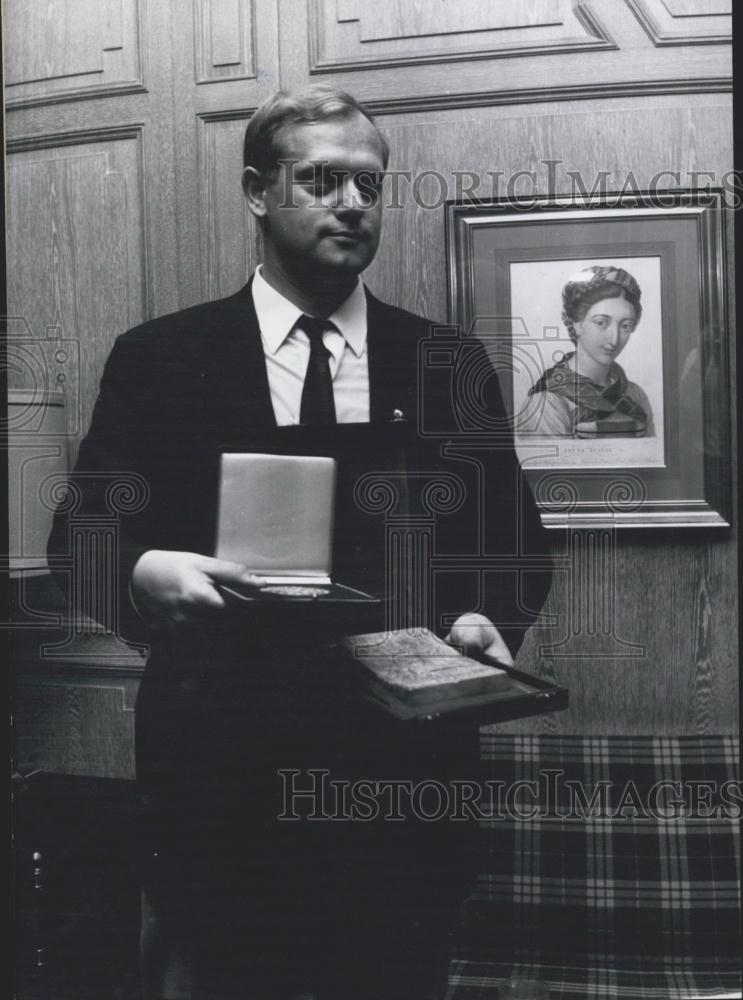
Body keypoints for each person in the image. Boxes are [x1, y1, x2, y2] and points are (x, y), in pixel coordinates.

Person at [49, 85, 551, 999]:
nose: (352, 204)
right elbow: (76, 540)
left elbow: (511, 543)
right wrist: (139, 568)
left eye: (368, 183)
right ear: (255, 191)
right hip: (220, 795)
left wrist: (487, 617)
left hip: (403, 798)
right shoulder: (160, 358)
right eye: (320, 180)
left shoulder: (448, 363)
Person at [524, 265, 655, 437]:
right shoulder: (547, 402)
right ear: (576, 324)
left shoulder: (634, 395)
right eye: (601, 322)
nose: (614, 339)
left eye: (625, 326)